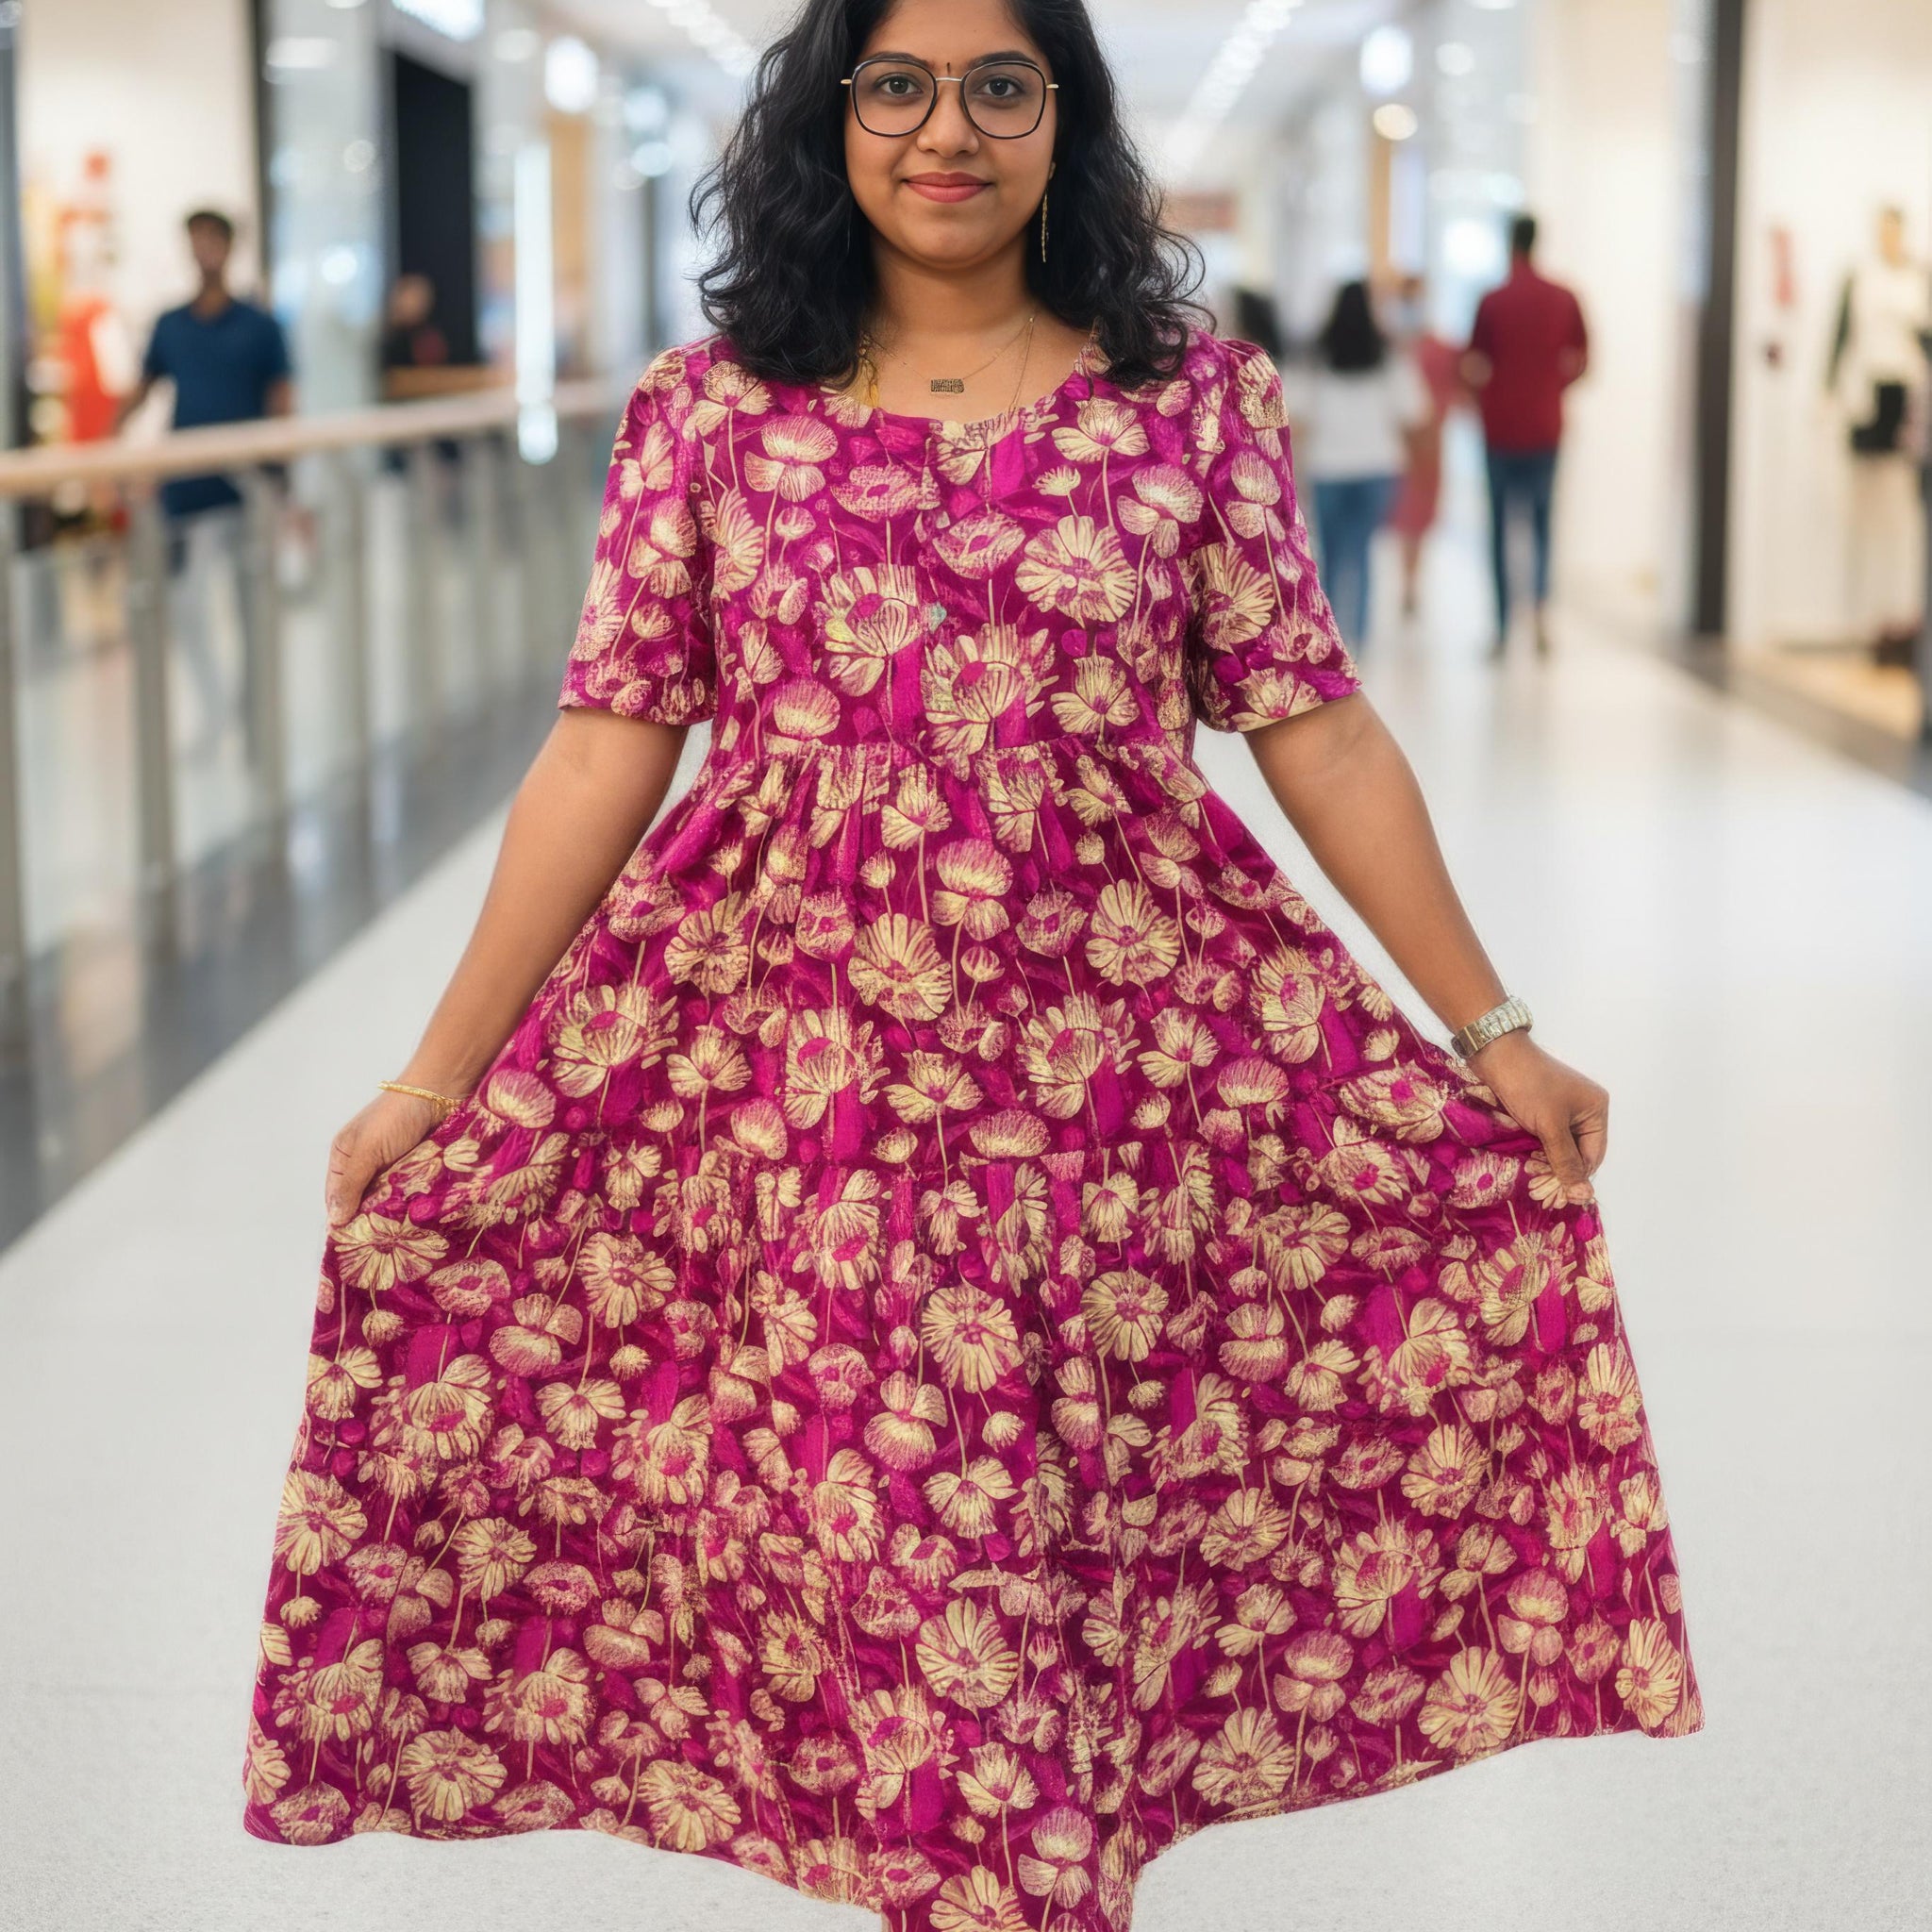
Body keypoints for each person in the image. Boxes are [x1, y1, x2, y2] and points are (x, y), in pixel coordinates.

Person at [241, 2, 1703, 1920]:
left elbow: (1319, 731)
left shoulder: (1192, 402)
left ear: (1064, 121)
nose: (949, 131)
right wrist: (436, 1080)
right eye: (899, 86)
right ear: (829, 121)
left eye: (1002, 86)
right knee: (920, 1601)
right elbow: (604, 745)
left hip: (1119, 1108)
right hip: (806, 1119)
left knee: (1052, 1603)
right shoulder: (709, 412)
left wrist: (1489, 1028)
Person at [115, 208, 293, 749]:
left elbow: (282, 402)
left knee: (252, 610)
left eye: (214, 238)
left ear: (230, 246)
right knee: (187, 609)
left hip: (246, 490)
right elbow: (144, 387)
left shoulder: (260, 326)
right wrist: (103, 444)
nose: (205, 249)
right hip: (188, 493)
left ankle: (254, 717)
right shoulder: (171, 324)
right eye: (197, 239)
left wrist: (286, 485)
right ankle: (215, 710)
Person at [1462, 213, 1589, 658]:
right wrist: (1553, 388)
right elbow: (1583, 357)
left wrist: (1488, 396)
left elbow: (1473, 364)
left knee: (1499, 528)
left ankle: (1501, 626)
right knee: (1541, 526)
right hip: (1545, 428)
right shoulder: (1564, 297)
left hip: (1500, 430)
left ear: (1509, 243)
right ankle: (1539, 615)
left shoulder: (1493, 300)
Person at [1283, 278, 1429, 651]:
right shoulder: (1388, 355)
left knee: (1331, 555)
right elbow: (1415, 411)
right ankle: (1359, 638)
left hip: (1328, 467)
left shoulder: (1315, 356)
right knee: (1362, 550)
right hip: (1377, 466)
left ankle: (1332, 638)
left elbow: (1294, 415)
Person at [1386, 271, 1466, 618]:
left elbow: (1462, 389)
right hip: (1398, 445)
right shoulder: (1389, 347)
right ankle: (1407, 581)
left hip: (1429, 445)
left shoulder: (1442, 348)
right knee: (1403, 513)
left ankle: (1412, 582)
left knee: (1418, 516)